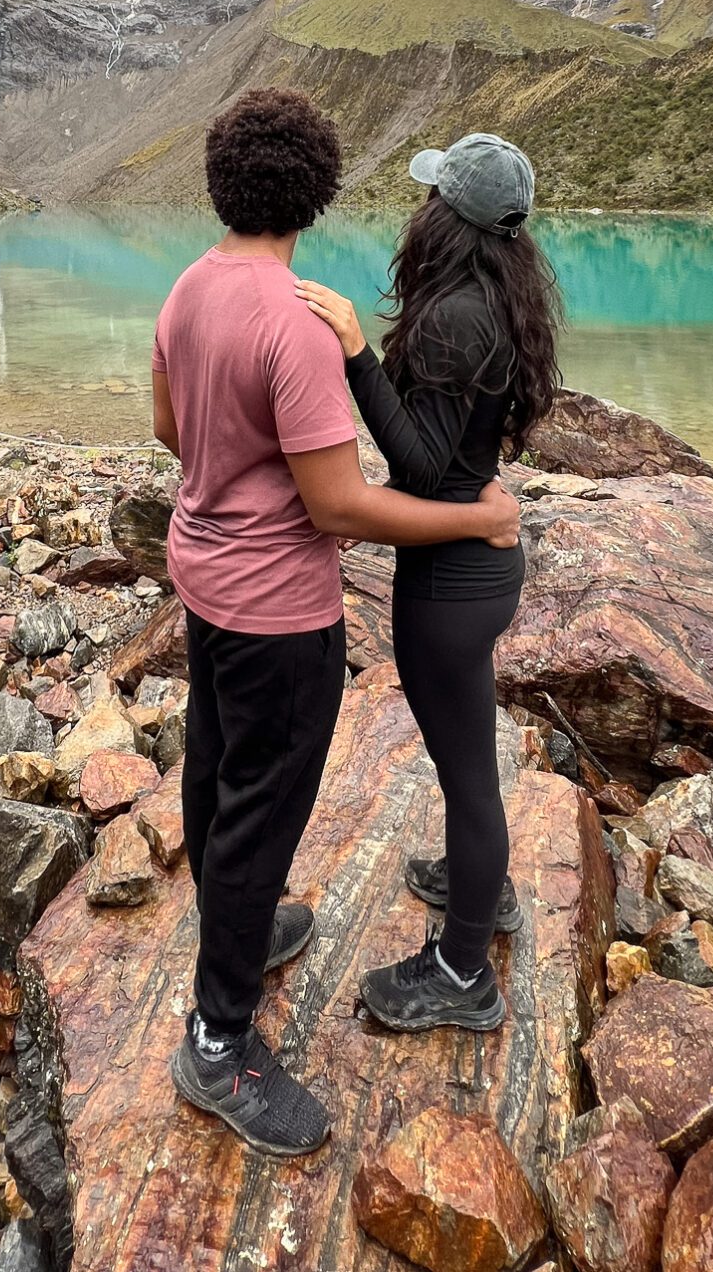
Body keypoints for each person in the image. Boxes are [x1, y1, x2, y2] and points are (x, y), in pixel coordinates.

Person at [152, 89, 521, 1159]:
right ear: (315, 193)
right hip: (277, 607)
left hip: (204, 579)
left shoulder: (186, 288)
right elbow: (340, 508)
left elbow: (169, 426)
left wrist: (230, 470)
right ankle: (217, 1042)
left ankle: (246, 920)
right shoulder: (298, 323)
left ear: (219, 181)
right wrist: (474, 513)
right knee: (264, 804)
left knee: (214, 768)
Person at [295, 132, 562, 1034]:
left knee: (468, 771)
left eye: (430, 199)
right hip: (470, 571)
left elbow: (413, 467)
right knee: (466, 760)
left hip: (450, 584)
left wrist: (353, 355)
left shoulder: (455, 318)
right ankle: (476, 886)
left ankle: (461, 971)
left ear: (446, 217)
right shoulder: (496, 295)